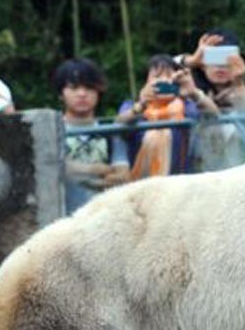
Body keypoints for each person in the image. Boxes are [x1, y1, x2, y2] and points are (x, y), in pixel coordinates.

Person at [116, 55, 216, 178]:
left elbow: (214, 116)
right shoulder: (133, 105)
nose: (163, 80)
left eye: (169, 76)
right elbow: (119, 123)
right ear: (146, 82)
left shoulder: (186, 106)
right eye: (156, 76)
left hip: (179, 183)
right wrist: (141, 105)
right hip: (142, 185)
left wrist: (194, 93)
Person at [53, 58, 130, 213]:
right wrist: (96, 170)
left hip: (103, 215)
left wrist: (111, 176)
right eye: (74, 88)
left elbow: (122, 173)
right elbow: (55, 167)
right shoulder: (52, 131)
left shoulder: (109, 132)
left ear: (98, 92)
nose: (82, 94)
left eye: (89, 88)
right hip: (62, 217)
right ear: (61, 93)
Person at [177, 28, 245, 170]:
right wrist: (192, 60)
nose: (220, 66)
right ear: (202, 65)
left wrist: (239, 84)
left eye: (226, 59)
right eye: (214, 58)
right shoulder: (189, 91)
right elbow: (163, 69)